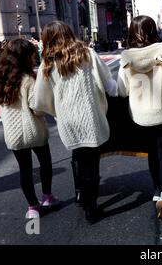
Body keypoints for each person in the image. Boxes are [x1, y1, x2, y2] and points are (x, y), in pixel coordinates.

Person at [34, 21, 117, 224]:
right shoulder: (88, 54)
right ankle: (91, 206)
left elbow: (40, 100)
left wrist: (58, 112)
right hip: (90, 117)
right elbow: (108, 83)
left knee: (78, 156)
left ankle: (81, 194)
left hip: (68, 121)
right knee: (92, 163)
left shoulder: (47, 63)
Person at [117, 16, 162, 221]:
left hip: (141, 115)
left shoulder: (126, 57)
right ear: (153, 31)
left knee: (151, 152)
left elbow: (121, 90)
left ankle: (156, 190)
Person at [0, 38, 59, 219]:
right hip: (34, 131)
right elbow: (36, 107)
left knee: (25, 170)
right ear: (24, 58)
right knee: (45, 163)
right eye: (32, 55)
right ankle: (47, 197)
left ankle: (32, 207)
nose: (34, 58)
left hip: (13, 135)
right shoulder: (28, 80)